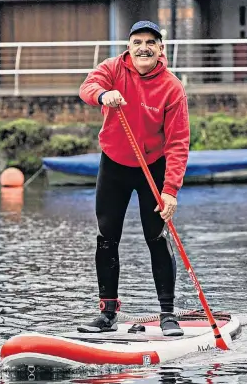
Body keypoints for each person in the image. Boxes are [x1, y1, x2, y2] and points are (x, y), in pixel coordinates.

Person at [78, 20, 190, 337]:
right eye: (138, 42)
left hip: (151, 166)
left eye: (151, 43)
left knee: (155, 237)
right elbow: (86, 88)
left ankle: (168, 314)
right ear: (129, 47)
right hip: (114, 163)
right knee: (106, 236)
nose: (144, 48)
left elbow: (179, 143)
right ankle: (107, 313)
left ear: (160, 49)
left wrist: (170, 192)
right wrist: (103, 95)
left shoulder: (172, 87)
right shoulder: (112, 68)